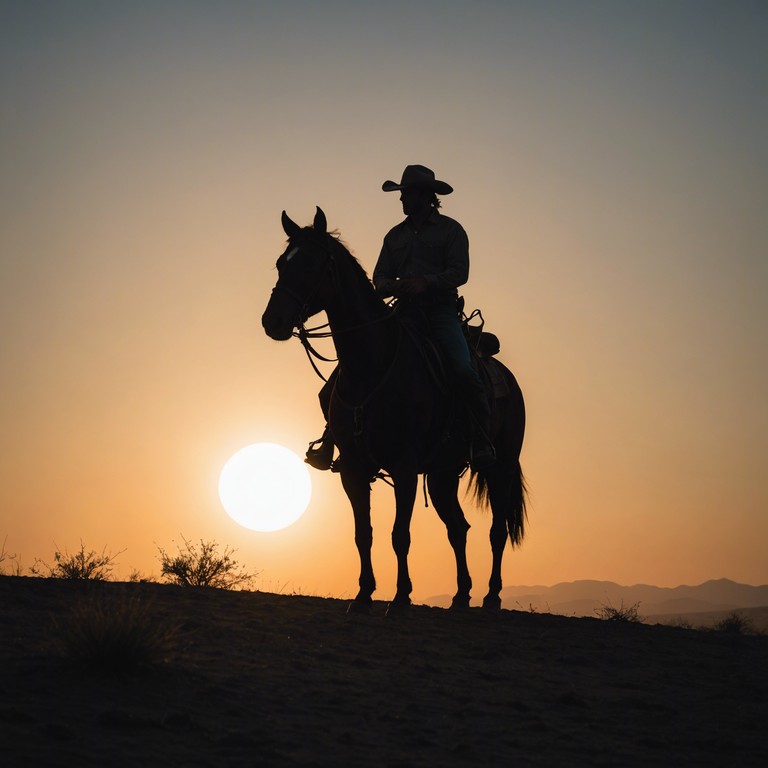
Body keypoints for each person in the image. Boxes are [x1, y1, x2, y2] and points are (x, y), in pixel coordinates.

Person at [305, 164, 495, 471]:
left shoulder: (451, 230)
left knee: (462, 368)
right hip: (402, 313)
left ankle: (481, 438)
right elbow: (380, 276)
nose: (402, 200)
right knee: (342, 378)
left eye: (406, 194)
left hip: (440, 313)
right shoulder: (394, 236)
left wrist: (426, 282)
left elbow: (460, 272)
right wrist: (390, 285)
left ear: (424, 196)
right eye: (402, 194)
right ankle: (335, 440)